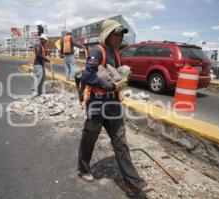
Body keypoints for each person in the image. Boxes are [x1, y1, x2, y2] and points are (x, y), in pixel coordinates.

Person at [77, 19, 152, 197]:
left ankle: (133, 184)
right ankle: (83, 167)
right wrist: (110, 87)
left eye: (121, 34)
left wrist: (122, 80)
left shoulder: (116, 54)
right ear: (107, 35)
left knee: (120, 141)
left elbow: (114, 77)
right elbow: (87, 76)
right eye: (116, 34)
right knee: (90, 136)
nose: (119, 37)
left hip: (113, 104)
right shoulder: (98, 51)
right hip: (97, 102)